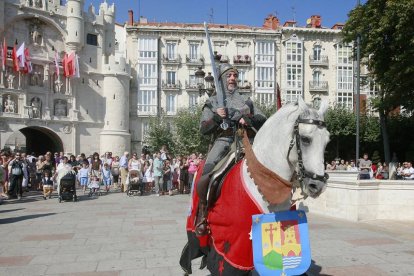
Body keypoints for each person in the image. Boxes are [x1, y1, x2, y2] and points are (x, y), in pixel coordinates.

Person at [195, 63, 266, 235]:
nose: (233, 78)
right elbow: (204, 128)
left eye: (235, 75)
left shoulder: (247, 101)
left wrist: (247, 118)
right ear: (221, 80)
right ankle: (203, 212)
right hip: (224, 139)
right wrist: (218, 119)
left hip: (247, 139)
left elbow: (262, 118)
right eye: (229, 76)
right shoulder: (212, 102)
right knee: (207, 170)